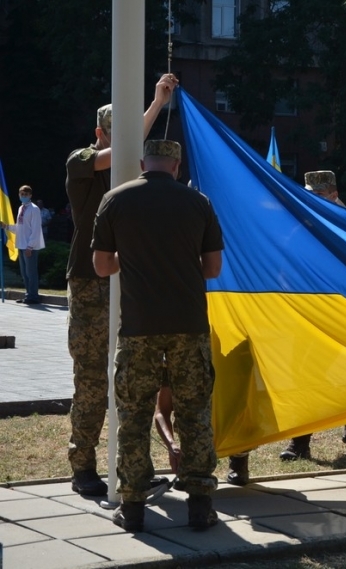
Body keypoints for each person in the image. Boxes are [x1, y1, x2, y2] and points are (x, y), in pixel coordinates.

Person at [91, 139, 224, 531]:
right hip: (189, 325)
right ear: (176, 166)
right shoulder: (199, 203)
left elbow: (101, 267)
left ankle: (132, 508)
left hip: (139, 327)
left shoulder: (115, 201)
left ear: (141, 164)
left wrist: (132, 257)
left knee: (133, 414)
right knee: (195, 413)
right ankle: (200, 504)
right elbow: (213, 268)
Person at [64, 73, 179, 497]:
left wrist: (157, 104)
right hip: (91, 284)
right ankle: (83, 466)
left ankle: (134, 466)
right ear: (100, 133)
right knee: (92, 378)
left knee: (135, 379)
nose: (128, 141)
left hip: (129, 282)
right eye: (118, 132)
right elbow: (114, 156)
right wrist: (152, 109)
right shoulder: (81, 160)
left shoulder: (135, 171)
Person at [279, 170, 346, 463]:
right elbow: (285, 263)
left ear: (333, 194)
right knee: (302, 374)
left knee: (327, 372)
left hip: (339, 311)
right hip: (305, 312)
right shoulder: (298, 223)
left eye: (318, 194)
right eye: (309, 193)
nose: (311, 199)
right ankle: (299, 442)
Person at [0, 185, 45, 304]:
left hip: (30, 246)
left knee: (31, 272)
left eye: (26, 194)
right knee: (24, 273)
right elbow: (20, 227)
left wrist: (30, 246)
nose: (23, 196)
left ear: (30, 195)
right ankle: (28, 294)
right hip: (21, 243)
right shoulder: (21, 208)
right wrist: (7, 227)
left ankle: (33, 296)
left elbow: (35, 229)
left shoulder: (34, 209)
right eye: (21, 194)